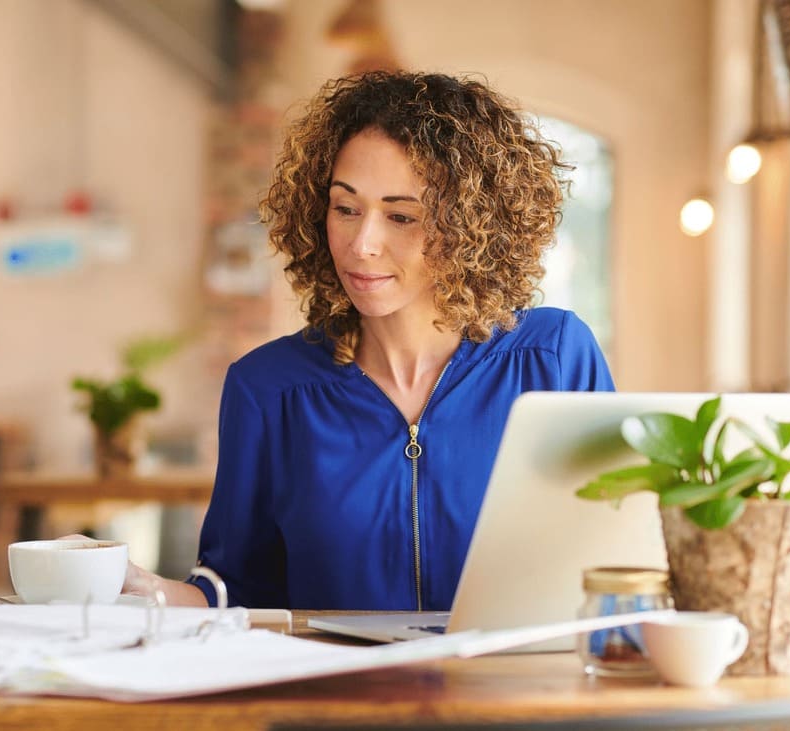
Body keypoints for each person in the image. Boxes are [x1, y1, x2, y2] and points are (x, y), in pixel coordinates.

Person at [123, 70, 614, 611]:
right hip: (340, 695)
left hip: (513, 690)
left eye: (402, 216)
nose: (362, 244)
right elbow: (239, 591)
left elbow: (617, 564)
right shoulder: (267, 389)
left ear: (472, 226)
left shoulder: (553, 359)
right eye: (346, 208)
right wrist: (144, 590)